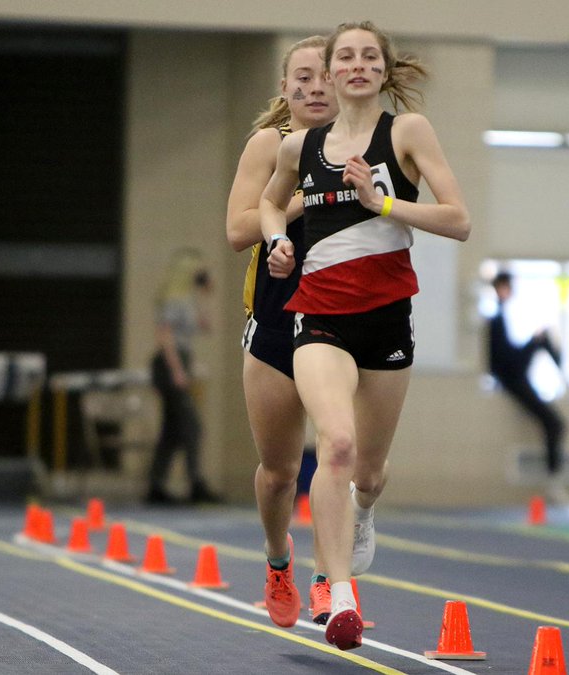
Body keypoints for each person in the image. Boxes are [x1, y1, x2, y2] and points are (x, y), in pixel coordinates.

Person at [259, 20, 469, 651]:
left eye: (368, 57)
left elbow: (458, 220)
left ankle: (364, 512)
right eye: (344, 57)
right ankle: (341, 596)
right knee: (337, 444)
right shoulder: (300, 147)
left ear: (382, 69)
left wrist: (382, 204)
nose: (356, 66)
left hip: (386, 320)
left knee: (368, 473)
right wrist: (277, 243)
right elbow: (272, 204)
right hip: (318, 315)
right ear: (328, 70)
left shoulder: (406, 132)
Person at [224, 35, 337, 629]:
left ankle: (329, 582)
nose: (316, 87)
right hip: (274, 318)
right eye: (304, 77)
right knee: (280, 474)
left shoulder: (361, 146)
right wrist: (298, 200)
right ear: (286, 85)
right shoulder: (269, 144)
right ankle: (277, 561)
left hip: (343, 317)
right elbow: (239, 229)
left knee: (343, 458)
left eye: (326, 76)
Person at [487, 271, 569, 504]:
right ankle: (554, 485)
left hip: (514, 372)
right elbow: (503, 359)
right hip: (511, 376)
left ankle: (563, 373)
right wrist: (532, 342)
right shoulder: (495, 318)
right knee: (555, 423)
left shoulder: (502, 316)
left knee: (542, 337)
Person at [147, 250, 222, 505]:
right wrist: (177, 370)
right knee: (192, 426)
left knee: (171, 430)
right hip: (169, 363)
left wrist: (204, 296)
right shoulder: (173, 299)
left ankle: (155, 485)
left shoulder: (189, 299)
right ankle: (195, 483)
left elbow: (206, 325)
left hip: (181, 360)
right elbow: (164, 335)